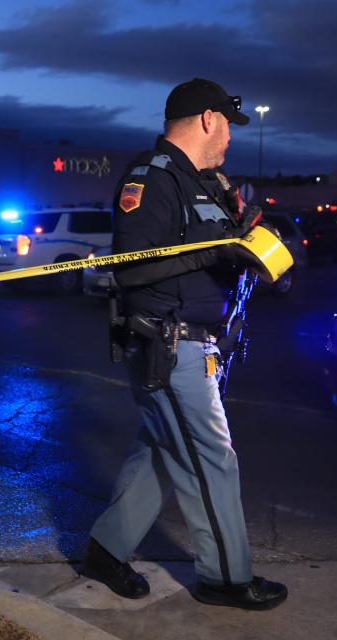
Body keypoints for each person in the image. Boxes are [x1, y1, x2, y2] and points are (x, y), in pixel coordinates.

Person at [81, 78, 288, 611]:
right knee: (210, 457)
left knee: (161, 450)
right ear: (206, 119)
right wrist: (215, 252)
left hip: (202, 344)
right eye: (227, 127)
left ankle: (106, 550)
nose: (230, 139)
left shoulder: (208, 184)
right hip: (167, 346)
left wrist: (263, 256)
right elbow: (132, 270)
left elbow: (229, 246)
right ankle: (225, 577)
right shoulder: (151, 179)